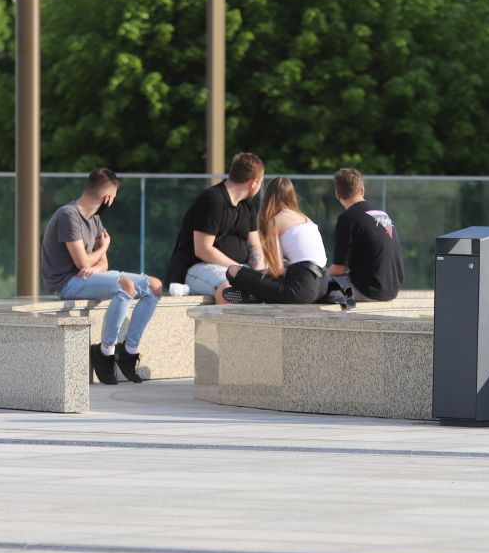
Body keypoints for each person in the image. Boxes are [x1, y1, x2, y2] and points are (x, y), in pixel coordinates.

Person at [41, 168, 162, 384]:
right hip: (66, 283)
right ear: (107, 198)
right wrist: (103, 247)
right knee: (125, 286)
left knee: (154, 286)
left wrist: (95, 266)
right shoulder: (68, 215)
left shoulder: (95, 219)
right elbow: (82, 262)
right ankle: (105, 352)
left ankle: (128, 350)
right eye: (114, 197)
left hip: (86, 278)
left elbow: (102, 264)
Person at [165, 153, 266, 303]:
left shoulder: (247, 206)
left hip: (238, 268)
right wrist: (239, 270)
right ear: (254, 183)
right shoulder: (213, 200)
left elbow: (254, 246)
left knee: (275, 282)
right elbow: (203, 249)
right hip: (199, 266)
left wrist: (257, 273)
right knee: (229, 291)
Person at [221, 177, 329, 304]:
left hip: (300, 289)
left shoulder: (275, 220)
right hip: (322, 286)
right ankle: (257, 294)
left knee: (233, 271)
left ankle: (254, 295)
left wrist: (259, 274)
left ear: (267, 198)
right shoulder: (306, 219)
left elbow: (277, 270)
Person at [320, 167, 403, 304]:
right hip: (392, 289)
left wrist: (321, 278)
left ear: (337, 194)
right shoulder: (382, 214)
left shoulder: (348, 218)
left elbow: (339, 269)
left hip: (368, 290)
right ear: (362, 190)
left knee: (311, 288)